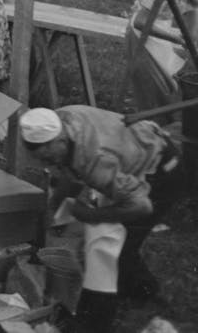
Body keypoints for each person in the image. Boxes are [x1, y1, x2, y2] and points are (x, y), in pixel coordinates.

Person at [19, 107, 188, 333]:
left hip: (161, 173)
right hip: (136, 156)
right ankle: (142, 291)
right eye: (42, 160)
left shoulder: (94, 160)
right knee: (117, 243)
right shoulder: (60, 120)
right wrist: (54, 206)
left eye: (50, 157)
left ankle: (96, 322)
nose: (49, 163)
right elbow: (66, 169)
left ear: (59, 139)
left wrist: (91, 216)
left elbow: (141, 207)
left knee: (111, 250)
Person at [124, 0, 198, 117]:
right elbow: (141, 22)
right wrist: (177, 39)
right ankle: (150, 131)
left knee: (171, 89)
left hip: (162, 32)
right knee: (154, 91)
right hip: (142, 37)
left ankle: (168, 128)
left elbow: (192, 16)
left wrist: (192, 42)